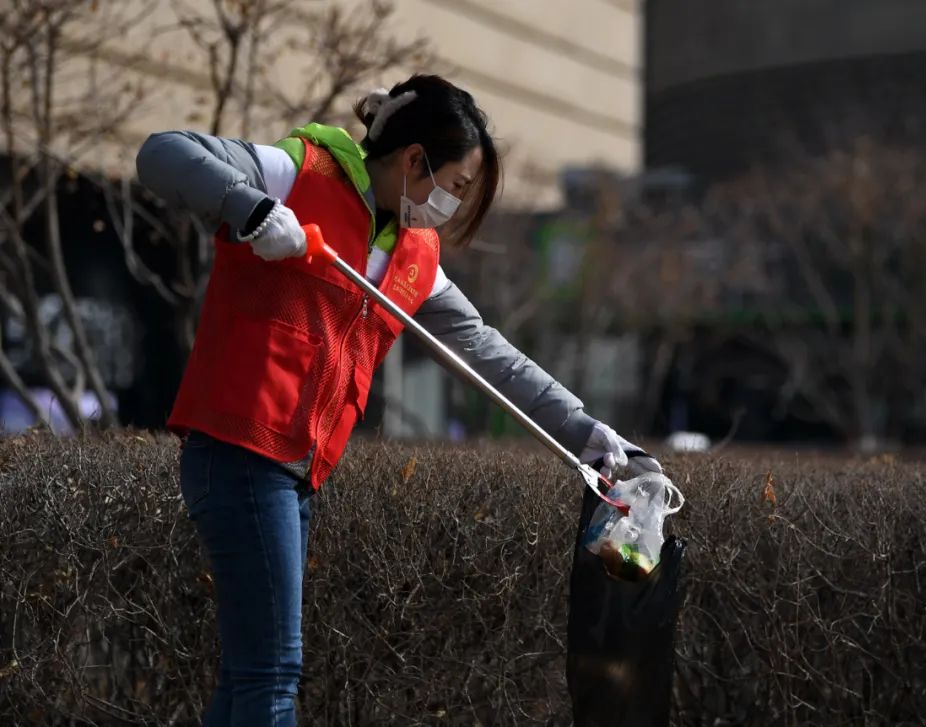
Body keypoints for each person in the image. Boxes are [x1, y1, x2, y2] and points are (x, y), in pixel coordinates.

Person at [136, 74, 662, 726]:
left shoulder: (415, 255)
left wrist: (592, 435)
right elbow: (160, 152)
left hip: (293, 473)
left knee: (250, 681)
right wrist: (251, 209)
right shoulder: (295, 173)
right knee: (271, 676)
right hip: (240, 453)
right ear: (415, 161)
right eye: (458, 185)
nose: (455, 204)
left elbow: (489, 354)